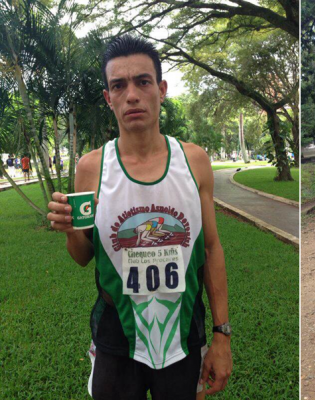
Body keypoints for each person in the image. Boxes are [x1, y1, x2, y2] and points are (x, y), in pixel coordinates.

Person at [46, 35, 232, 400]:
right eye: (119, 85)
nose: (131, 95)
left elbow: (211, 249)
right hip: (117, 332)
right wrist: (69, 230)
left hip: (183, 329)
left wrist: (221, 335)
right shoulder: (92, 167)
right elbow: (83, 256)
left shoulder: (194, 161)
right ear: (108, 98)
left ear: (161, 90)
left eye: (143, 82)